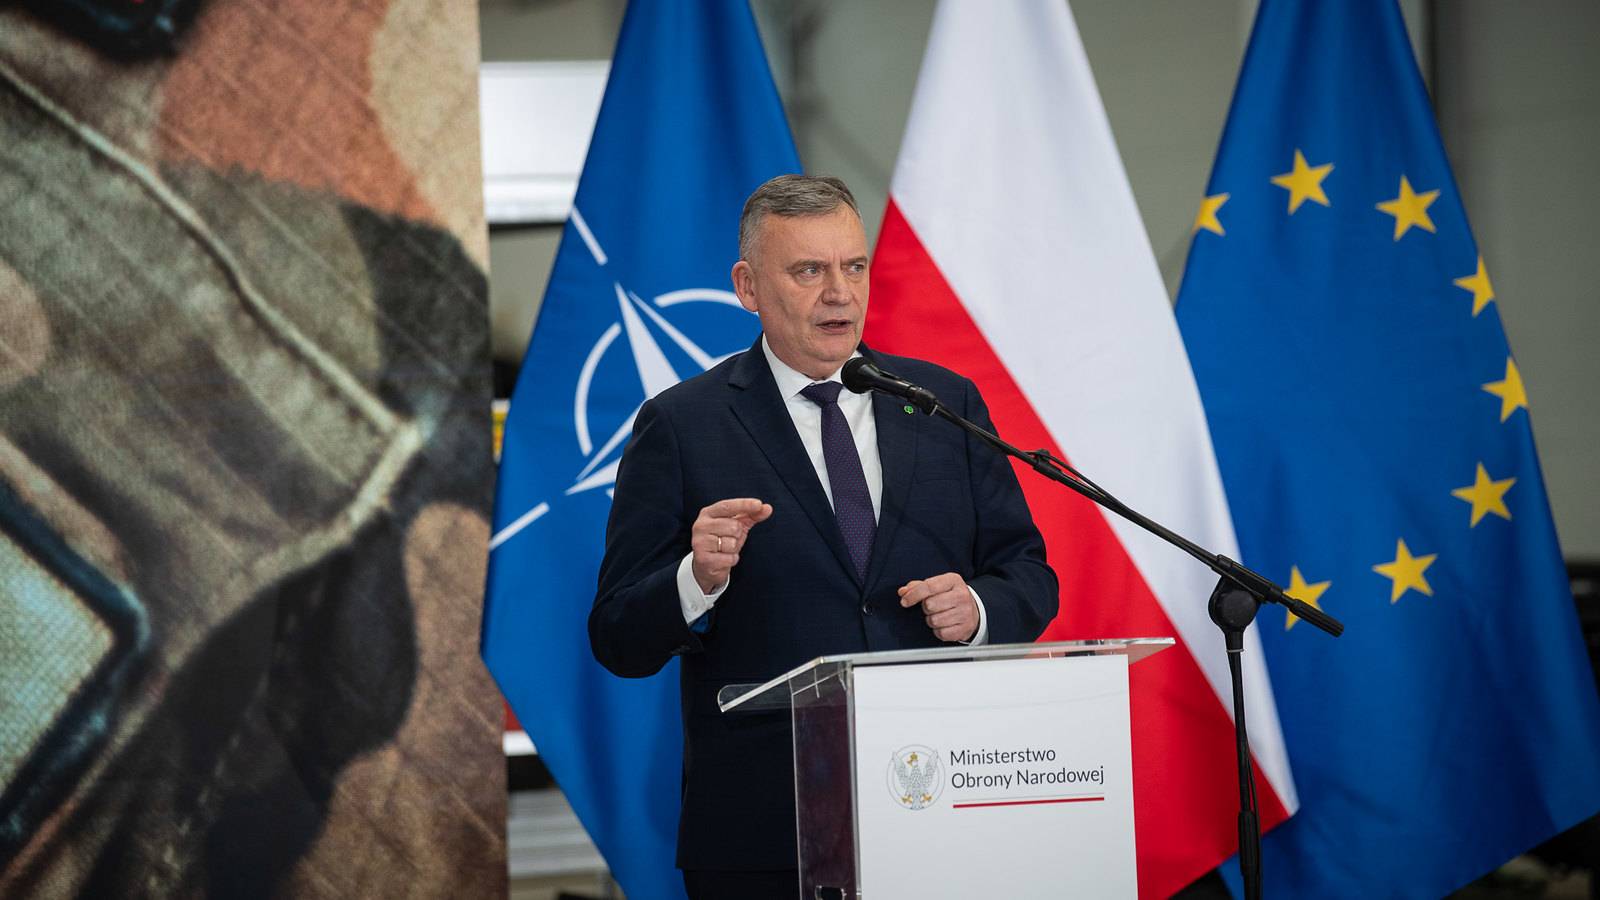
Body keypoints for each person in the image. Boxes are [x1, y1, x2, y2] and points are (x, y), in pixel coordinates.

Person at [589, 174, 1058, 898]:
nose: (840, 293)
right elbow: (617, 635)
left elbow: (1027, 571)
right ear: (748, 287)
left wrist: (976, 610)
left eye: (854, 266)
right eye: (809, 270)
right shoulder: (682, 425)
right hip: (766, 829)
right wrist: (695, 580)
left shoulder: (942, 403)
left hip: (943, 803)